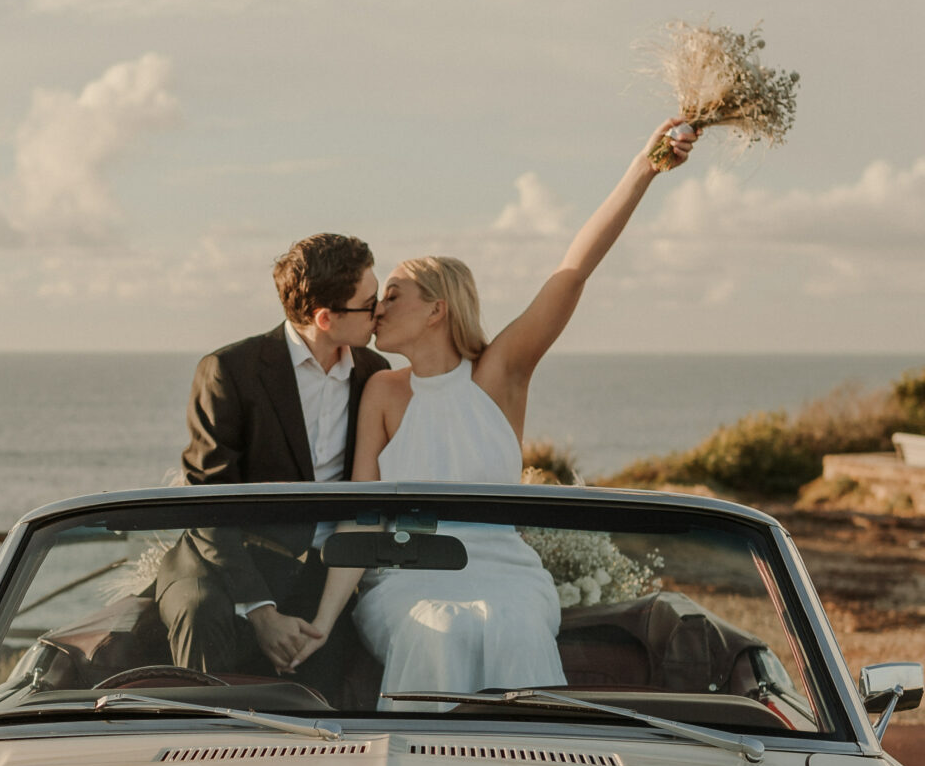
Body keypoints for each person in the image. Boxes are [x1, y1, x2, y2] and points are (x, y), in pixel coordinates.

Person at [297, 118, 698, 696]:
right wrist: (324, 620)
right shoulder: (383, 390)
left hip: (504, 573)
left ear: (436, 309)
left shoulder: (498, 375)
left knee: (510, 625)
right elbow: (359, 517)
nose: (376, 309)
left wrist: (646, 166)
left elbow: (573, 272)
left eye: (392, 295)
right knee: (437, 630)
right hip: (407, 579)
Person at [153, 231, 390, 696]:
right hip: (222, 562)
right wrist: (259, 609)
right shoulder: (228, 371)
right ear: (325, 318)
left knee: (330, 680)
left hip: (317, 571)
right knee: (199, 613)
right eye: (370, 302)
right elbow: (209, 502)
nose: (379, 310)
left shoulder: (374, 374)